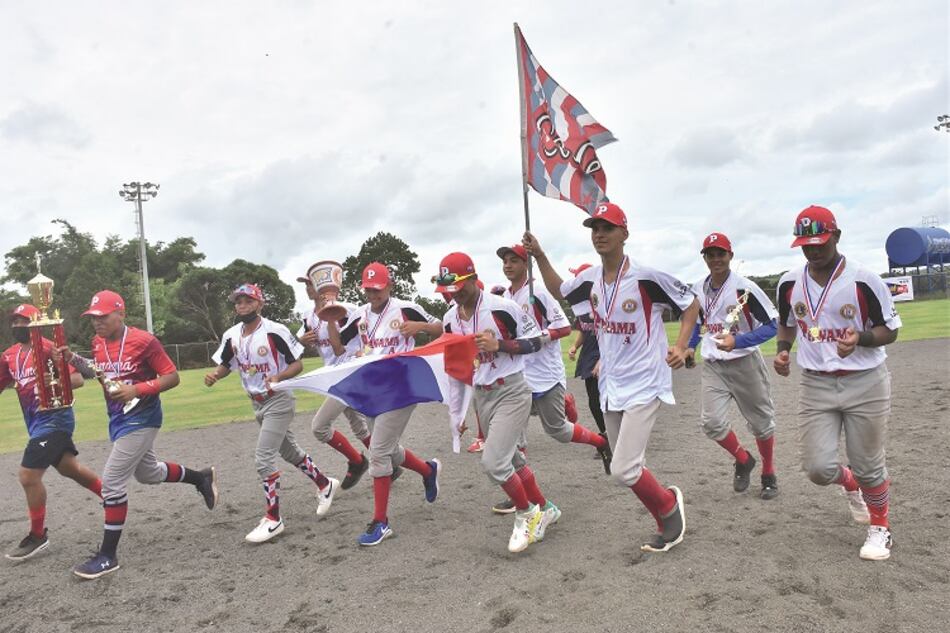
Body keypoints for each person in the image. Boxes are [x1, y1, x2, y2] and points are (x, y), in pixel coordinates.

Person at [525, 202, 700, 553]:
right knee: (629, 469)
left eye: (607, 228)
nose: (600, 234)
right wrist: (541, 255)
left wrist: (682, 346)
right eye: (595, 229)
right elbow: (561, 290)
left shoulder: (646, 277)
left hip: (646, 382)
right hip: (612, 383)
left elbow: (691, 303)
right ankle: (666, 513)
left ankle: (668, 510)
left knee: (622, 470)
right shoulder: (590, 279)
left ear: (625, 233)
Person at [774, 205, 900, 561]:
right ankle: (851, 484)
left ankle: (880, 527)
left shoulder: (863, 279)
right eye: (805, 244)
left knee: (868, 463)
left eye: (820, 242)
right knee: (817, 468)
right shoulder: (788, 283)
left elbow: (890, 329)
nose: (813, 250)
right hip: (816, 383)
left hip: (865, 381)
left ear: (837, 237)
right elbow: (787, 323)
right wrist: (784, 351)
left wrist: (859, 338)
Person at [62, 290, 217, 579]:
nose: (97, 322)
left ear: (121, 314)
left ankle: (108, 556)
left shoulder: (144, 340)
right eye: (93, 318)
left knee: (111, 484)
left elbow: (172, 376)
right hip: (118, 420)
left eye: (103, 316)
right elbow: (98, 372)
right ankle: (201, 477)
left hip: (143, 418)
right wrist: (71, 357)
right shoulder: (97, 343)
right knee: (148, 474)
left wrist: (137, 390)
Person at [438, 252, 558, 552]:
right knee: (513, 459)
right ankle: (546, 508)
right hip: (482, 394)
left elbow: (539, 340)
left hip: (512, 390)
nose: (453, 295)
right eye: (446, 290)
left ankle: (527, 513)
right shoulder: (450, 319)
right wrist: (458, 411)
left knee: (494, 463)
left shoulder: (503, 308)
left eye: (457, 287)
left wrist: (500, 345)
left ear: (471, 278)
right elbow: (457, 370)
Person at [206, 283, 338, 543]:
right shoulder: (232, 334)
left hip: (278, 399)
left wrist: (279, 376)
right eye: (238, 302)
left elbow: (297, 363)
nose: (242, 305)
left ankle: (273, 518)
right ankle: (325, 483)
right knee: (289, 452)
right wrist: (215, 376)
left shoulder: (275, 331)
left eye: (248, 301)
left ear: (260, 303)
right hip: (256, 402)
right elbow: (226, 364)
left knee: (263, 458)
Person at [489, 244, 611, 515]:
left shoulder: (538, 293)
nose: (508, 265)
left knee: (558, 430)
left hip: (545, 375)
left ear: (526, 264)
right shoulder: (507, 296)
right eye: (505, 261)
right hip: (518, 375)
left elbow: (564, 327)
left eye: (514, 261)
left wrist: (537, 339)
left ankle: (602, 443)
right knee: (512, 435)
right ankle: (520, 491)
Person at [336, 262, 444, 546]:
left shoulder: (405, 307)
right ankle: (428, 470)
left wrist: (420, 326)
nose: (373, 294)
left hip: (401, 388)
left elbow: (443, 327)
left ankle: (381, 522)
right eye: (369, 289)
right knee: (388, 450)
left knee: (379, 452)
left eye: (378, 289)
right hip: (373, 390)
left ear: (389, 285)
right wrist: (327, 318)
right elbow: (338, 346)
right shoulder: (359, 315)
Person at [1, 304, 103, 561]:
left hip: (56, 420)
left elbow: (78, 379)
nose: (18, 326)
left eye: (24, 321)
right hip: (35, 424)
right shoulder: (9, 355)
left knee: (27, 476)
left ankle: (38, 535)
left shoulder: (48, 348)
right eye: (15, 321)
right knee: (71, 469)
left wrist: (56, 379)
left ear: (36, 322)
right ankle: (112, 496)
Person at [685, 233, 780, 499]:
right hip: (714, 364)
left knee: (761, 422)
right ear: (704, 258)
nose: (716, 259)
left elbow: (774, 325)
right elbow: (697, 322)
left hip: (745, 362)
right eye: (710, 254)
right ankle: (743, 458)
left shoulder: (744, 288)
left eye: (721, 254)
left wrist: (739, 341)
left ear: (730, 256)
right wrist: (691, 346)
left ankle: (768, 472)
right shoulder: (698, 289)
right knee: (712, 423)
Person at [296, 275, 371, 489]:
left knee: (320, 427)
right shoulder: (307, 316)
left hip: (350, 374)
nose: (307, 288)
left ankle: (357, 461)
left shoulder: (347, 309)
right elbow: (293, 347)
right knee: (360, 427)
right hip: (332, 375)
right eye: (306, 285)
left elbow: (367, 334)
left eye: (310, 283)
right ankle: (396, 463)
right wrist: (302, 341)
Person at [565, 264, 608, 458]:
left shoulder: (605, 301)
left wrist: (603, 360)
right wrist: (575, 346)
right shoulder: (582, 306)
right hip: (589, 355)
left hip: (605, 355)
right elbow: (584, 330)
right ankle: (607, 435)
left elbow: (614, 334)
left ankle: (615, 437)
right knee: (593, 400)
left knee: (606, 399)